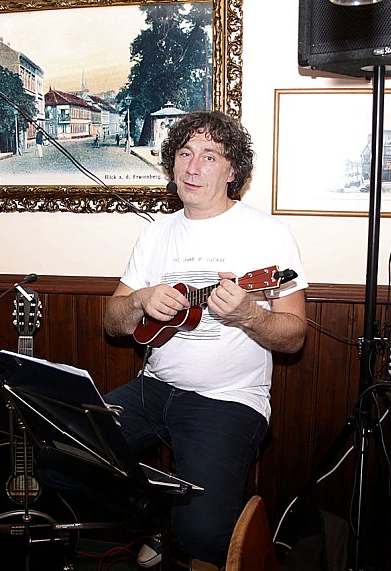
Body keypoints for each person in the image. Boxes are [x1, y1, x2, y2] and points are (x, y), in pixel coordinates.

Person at [102, 110, 308, 568]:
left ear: (233, 170)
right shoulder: (155, 234)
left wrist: (250, 316)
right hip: (152, 388)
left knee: (205, 534)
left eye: (209, 156)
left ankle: (180, 523)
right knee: (63, 458)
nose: (193, 167)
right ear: (172, 163)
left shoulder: (269, 233)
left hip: (228, 400)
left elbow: (294, 336)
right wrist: (141, 300)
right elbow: (111, 321)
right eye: (185, 153)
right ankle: (159, 512)